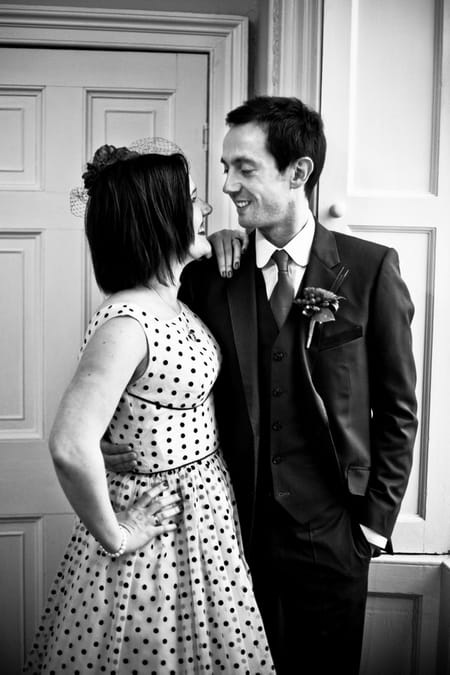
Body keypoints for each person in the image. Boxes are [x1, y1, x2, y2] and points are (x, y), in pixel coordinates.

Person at [102, 97, 418, 674]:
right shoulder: (204, 274)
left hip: (333, 537)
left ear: (298, 172)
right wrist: (110, 439)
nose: (227, 184)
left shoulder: (370, 269)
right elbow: (155, 374)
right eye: (224, 169)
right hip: (224, 538)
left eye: (244, 169)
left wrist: (372, 527)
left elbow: (399, 409)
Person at [23, 139, 274, 674]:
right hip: (156, 542)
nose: (205, 210)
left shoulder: (169, 300)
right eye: (193, 199)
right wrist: (118, 534)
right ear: (159, 219)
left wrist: (222, 240)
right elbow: (70, 443)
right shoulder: (128, 320)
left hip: (202, 521)